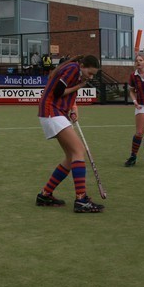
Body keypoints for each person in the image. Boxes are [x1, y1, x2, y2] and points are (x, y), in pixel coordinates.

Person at [35, 55, 104, 213]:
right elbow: (58, 91)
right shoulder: (73, 68)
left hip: (55, 112)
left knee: (70, 157)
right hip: (51, 111)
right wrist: (79, 85)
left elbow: (67, 93)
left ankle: (45, 194)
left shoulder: (76, 71)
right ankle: (81, 200)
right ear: (82, 65)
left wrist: (73, 108)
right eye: (90, 73)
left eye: (93, 75)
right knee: (79, 151)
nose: (90, 77)